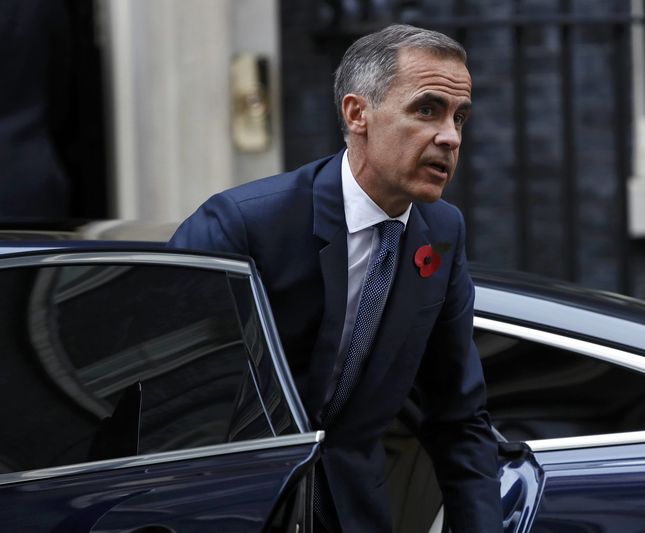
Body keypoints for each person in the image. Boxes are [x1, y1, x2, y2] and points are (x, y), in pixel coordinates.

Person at [169, 24, 502, 533]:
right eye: (427, 110)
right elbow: (168, 402)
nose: (450, 136)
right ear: (357, 113)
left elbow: (458, 416)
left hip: (354, 513)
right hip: (234, 511)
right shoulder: (242, 225)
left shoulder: (442, 232)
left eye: (460, 117)